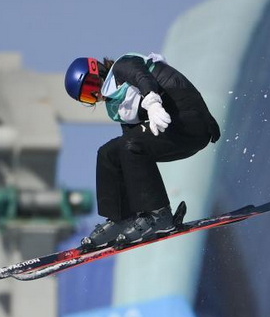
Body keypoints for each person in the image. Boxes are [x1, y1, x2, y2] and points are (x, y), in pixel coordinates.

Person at [64, 53, 221, 249]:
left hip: (190, 120)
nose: (96, 95)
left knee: (130, 146)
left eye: (90, 87)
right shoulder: (117, 107)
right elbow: (129, 153)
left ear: (97, 69)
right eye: (88, 97)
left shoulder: (123, 66)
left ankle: (160, 215)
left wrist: (153, 102)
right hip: (174, 135)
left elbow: (142, 77)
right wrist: (136, 207)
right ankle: (121, 218)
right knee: (109, 153)